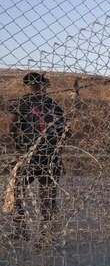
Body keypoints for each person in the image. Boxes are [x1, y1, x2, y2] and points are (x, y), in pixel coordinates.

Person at [7, 72, 66, 242]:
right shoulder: (54, 105)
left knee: (17, 191)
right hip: (50, 156)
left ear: (26, 85)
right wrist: (58, 153)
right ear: (44, 85)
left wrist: (18, 148)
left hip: (29, 155)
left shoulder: (20, 103)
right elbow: (63, 131)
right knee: (47, 198)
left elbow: (12, 126)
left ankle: (21, 230)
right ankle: (45, 237)